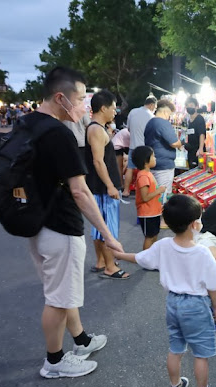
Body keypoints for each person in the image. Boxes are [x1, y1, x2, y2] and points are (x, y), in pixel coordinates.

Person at [29, 66, 124, 378]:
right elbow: (80, 192)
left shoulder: (28, 124)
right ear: (61, 97)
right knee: (57, 300)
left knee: (61, 292)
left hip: (38, 223)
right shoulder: (58, 133)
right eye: (81, 99)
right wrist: (108, 235)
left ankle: (81, 341)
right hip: (59, 226)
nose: (85, 106)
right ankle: (54, 362)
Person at [112, 195, 216, 387]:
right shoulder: (202, 252)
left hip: (173, 304)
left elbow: (140, 258)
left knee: (176, 347)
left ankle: (175, 386)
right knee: (201, 353)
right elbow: (213, 285)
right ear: (195, 224)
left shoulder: (163, 245)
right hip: (195, 306)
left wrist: (119, 253)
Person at [84, 89, 129, 280]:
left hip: (100, 187)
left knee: (100, 227)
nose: (115, 111)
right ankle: (110, 267)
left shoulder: (98, 128)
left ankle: (102, 261)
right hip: (103, 189)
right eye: (113, 108)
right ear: (103, 108)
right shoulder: (95, 129)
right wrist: (110, 185)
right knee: (107, 228)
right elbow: (98, 162)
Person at [144, 99, 182, 228]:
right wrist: (181, 143)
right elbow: (174, 142)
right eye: (170, 114)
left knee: (156, 191)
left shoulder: (151, 122)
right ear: (166, 112)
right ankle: (164, 220)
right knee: (164, 192)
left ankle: (154, 216)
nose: (169, 117)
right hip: (163, 164)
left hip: (154, 162)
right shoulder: (162, 123)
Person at [123, 96, 157, 197]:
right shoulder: (151, 116)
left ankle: (126, 191)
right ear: (151, 105)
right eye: (155, 107)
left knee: (130, 168)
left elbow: (128, 129)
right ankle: (144, 192)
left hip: (133, 145)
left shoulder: (133, 111)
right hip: (145, 148)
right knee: (144, 170)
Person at [131, 146, 164, 249]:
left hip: (154, 211)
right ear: (146, 161)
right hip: (147, 213)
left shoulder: (147, 173)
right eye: (153, 156)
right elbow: (145, 197)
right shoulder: (143, 176)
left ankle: (151, 256)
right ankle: (146, 258)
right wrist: (159, 191)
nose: (155, 158)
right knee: (149, 237)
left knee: (154, 235)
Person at [183, 97, 206, 169]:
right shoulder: (188, 120)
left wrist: (201, 148)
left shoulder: (199, 118)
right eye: (187, 106)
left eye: (191, 105)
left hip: (198, 151)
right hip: (190, 151)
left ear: (196, 107)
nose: (189, 107)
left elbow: (201, 134)